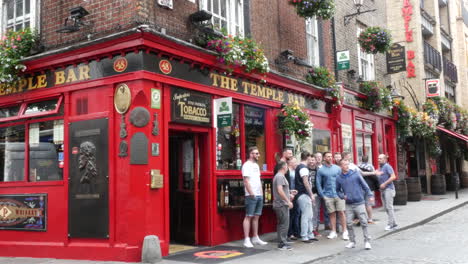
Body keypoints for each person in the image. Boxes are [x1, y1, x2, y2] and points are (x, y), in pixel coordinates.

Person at [336, 159, 374, 250]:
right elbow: (337, 190)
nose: (347, 166)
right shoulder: (339, 178)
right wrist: (342, 196)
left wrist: (370, 195)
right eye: (345, 164)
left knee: (364, 222)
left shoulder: (356, 174)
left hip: (359, 202)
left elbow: (365, 185)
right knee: (349, 223)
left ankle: (367, 241)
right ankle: (352, 242)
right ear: (341, 166)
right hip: (348, 204)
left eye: (347, 164)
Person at [317, 152, 348, 240]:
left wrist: (344, 193)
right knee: (331, 214)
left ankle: (345, 231)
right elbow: (318, 183)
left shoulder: (338, 168)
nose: (330, 158)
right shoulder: (321, 170)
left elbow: (343, 180)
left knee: (341, 212)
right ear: (324, 158)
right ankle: (333, 231)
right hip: (328, 195)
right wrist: (322, 195)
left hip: (339, 194)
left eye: (331, 156)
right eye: (328, 156)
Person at [242, 146, 268, 247]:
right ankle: (246, 239)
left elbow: (258, 180)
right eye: (256, 153)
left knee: (256, 216)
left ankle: (255, 237)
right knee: (249, 216)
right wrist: (251, 193)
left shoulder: (256, 165)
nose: (258, 155)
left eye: (258, 153)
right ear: (251, 154)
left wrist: (261, 193)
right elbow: (246, 181)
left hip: (259, 194)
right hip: (251, 195)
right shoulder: (246, 165)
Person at [294, 151, 317, 243]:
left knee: (309, 215)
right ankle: (305, 236)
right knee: (306, 215)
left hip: (303, 194)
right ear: (307, 158)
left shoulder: (301, 167)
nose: (311, 160)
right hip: (303, 194)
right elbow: (306, 182)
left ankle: (310, 234)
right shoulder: (303, 168)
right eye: (310, 158)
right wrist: (311, 194)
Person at [273, 161, 294, 250]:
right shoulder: (280, 176)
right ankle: (282, 243)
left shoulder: (279, 176)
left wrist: (289, 193)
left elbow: (282, 190)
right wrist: (288, 201)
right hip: (281, 204)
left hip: (280, 204)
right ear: (283, 167)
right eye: (286, 166)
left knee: (282, 224)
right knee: (284, 224)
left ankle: (282, 241)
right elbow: (280, 190)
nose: (287, 168)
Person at [375, 154, 398, 231]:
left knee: (389, 207)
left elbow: (393, 176)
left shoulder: (387, 166)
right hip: (383, 190)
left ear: (385, 159)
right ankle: (394, 223)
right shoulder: (380, 168)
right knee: (386, 208)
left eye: (380, 158)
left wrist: (384, 183)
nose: (379, 160)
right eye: (378, 158)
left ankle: (390, 224)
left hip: (389, 189)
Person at [358, 155, 379, 223]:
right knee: (368, 204)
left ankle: (361, 219)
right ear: (368, 159)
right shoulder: (370, 166)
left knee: (360, 204)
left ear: (361, 159)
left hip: (360, 187)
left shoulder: (358, 166)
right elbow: (374, 176)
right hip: (369, 187)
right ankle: (370, 219)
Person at [287, 157, 301, 240]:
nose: (296, 163)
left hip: (295, 194)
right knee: (290, 214)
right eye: (295, 162)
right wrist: (289, 192)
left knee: (296, 213)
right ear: (290, 163)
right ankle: (290, 232)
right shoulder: (287, 171)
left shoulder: (296, 171)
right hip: (289, 195)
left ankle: (296, 232)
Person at [308, 156, 321, 237]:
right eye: (310, 160)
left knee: (315, 212)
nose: (311, 161)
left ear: (316, 161)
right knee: (308, 213)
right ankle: (308, 229)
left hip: (316, 193)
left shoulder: (319, 170)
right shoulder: (305, 169)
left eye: (313, 160)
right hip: (307, 194)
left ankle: (314, 229)